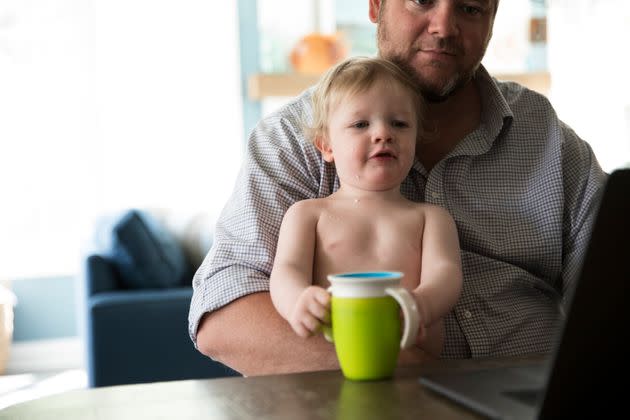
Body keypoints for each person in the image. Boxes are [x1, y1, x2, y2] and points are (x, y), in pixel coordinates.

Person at [189, 0, 607, 376]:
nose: (444, 26)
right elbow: (223, 318)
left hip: (533, 393)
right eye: (422, 1)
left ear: (494, 17)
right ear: (375, 6)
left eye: (471, 8)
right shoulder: (293, 138)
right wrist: (407, 378)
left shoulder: (545, 135)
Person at [268, 57, 463, 357]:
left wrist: (422, 304)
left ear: (416, 138)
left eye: (399, 123)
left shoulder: (431, 219)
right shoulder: (307, 215)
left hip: (421, 374)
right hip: (334, 366)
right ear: (327, 145)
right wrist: (298, 300)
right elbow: (285, 271)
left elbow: (446, 275)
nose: (383, 133)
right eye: (360, 124)